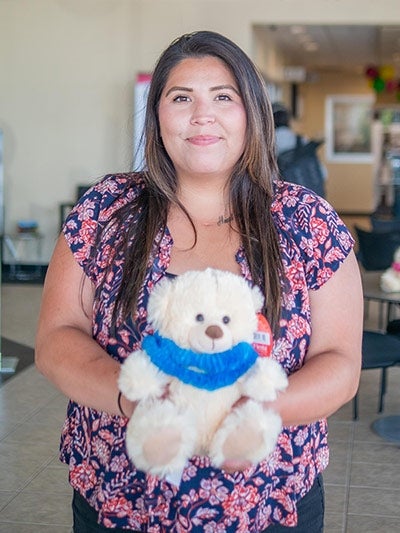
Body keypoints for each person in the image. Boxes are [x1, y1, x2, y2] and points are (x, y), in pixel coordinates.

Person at [35, 30, 363, 532]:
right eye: (181, 97)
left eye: (223, 97)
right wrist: (138, 400)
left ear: (251, 112)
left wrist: (243, 415)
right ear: (158, 114)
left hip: (267, 504)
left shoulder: (307, 220)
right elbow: (58, 339)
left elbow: (340, 363)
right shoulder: (106, 210)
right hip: (120, 503)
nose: (201, 114)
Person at [272, 102, 327, 197]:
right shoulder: (302, 141)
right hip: (313, 199)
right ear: (288, 121)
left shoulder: (267, 145)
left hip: (287, 202)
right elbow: (324, 174)